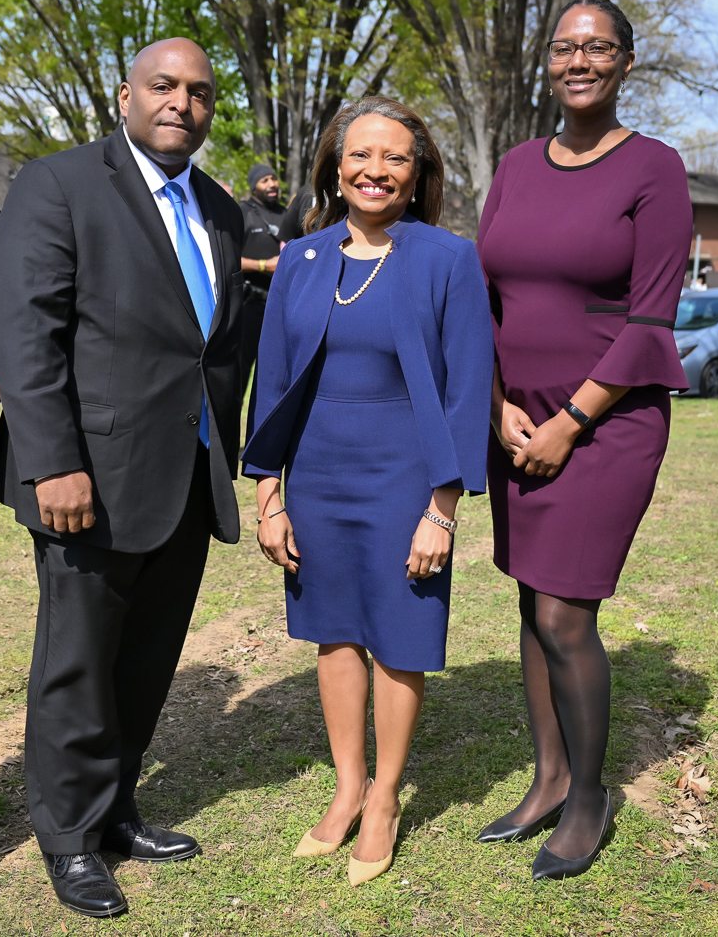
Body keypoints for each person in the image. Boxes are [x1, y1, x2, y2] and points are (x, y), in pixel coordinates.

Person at [0, 37, 245, 919]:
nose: (182, 102)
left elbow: (209, 346)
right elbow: (26, 334)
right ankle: (67, 836)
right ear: (123, 93)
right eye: (163, 85)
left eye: (200, 92)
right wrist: (55, 459)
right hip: (85, 477)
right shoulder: (56, 185)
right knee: (79, 663)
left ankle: (115, 807)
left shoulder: (219, 208)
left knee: (146, 660)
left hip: (183, 475)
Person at [243, 96, 493, 886]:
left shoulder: (446, 258)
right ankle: (348, 784)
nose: (374, 170)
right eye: (360, 155)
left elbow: (465, 389)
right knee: (335, 629)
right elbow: (273, 380)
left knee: (399, 633)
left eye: (394, 157)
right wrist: (268, 496)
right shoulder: (303, 258)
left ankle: (386, 796)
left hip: (404, 478)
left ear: (417, 173)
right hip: (317, 475)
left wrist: (441, 510)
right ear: (335, 165)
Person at [476, 0, 691, 881]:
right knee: (531, 597)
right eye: (566, 47)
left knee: (567, 609)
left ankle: (592, 795)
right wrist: (494, 404)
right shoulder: (518, 164)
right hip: (515, 416)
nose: (579, 60)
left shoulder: (656, 169)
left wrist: (571, 420)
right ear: (549, 61)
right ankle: (549, 777)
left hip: (605, 420)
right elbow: (484, 301)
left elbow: (651, 319)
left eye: (598, 47)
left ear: (625, 63)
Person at [238, 164, 285, 395]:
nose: (272, 184)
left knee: (274, 376)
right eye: (264, 180)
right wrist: (264, 266)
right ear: (253, 187)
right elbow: (225, 260)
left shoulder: (287, 214)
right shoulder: (242, 212)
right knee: (240, 373)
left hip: (279, 307)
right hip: (249, 304)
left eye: (273, 179)